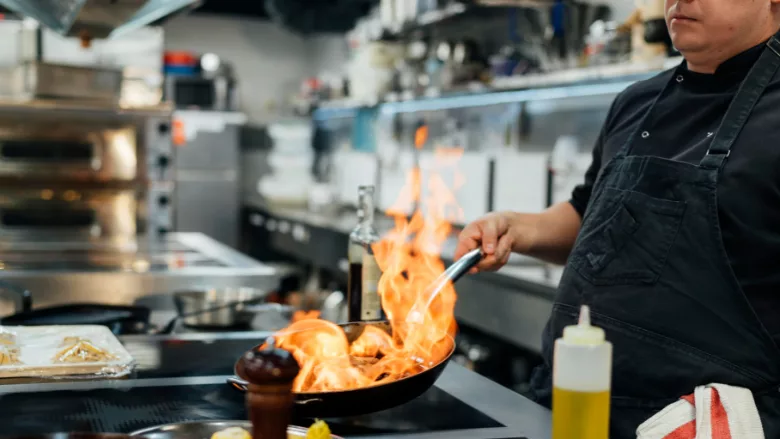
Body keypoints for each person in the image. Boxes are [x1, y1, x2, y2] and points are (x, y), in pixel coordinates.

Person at [454, 0, 780, 436]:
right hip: (565, 406)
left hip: (696, 424)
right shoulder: (638, 102)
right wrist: (519, 227)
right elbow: (591, 215)